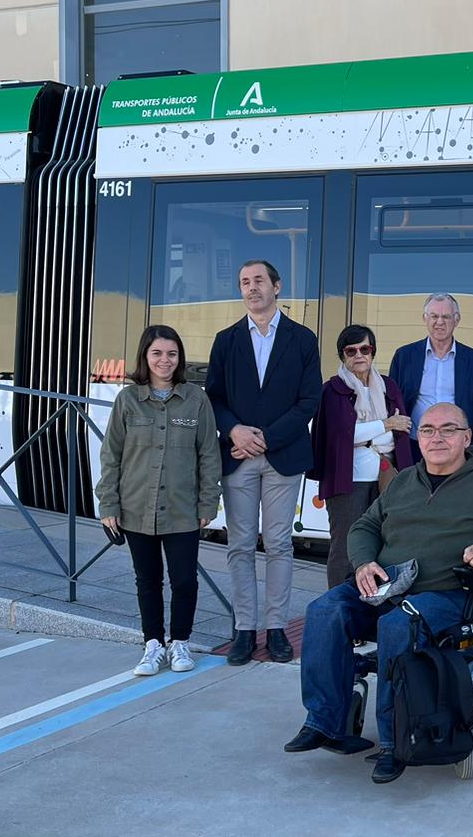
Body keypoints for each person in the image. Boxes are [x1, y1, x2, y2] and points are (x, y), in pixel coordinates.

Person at [286, 403, 473, 784]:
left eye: (447, 429)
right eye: (427, 430)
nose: (436, 438)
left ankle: (395, 742)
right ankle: (325, 723)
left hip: (447, 594)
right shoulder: (402, 481)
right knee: (325, 609)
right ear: (417, 438)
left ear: (466, 437)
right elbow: (363, 528)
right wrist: (363, 564)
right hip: (387, 584)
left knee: (399, 624)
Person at [205, 259, 322, 665]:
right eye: (244, 282)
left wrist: (266, 438)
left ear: (277, 286)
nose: (251, 288)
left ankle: (275, 628)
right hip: (237, 456)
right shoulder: (225, 340)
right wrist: (235, 431)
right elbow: (214, 398)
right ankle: (243, 629)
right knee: (239, 545)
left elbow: (309, 400)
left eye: (258, 281)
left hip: (282, 456)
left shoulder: (303, 339)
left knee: (278, 544)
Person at [96, 325, 222, 676]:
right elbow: (111, 455)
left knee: (184, 581)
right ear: (145, 357)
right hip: (136, 507)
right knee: (147, 579)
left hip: (183, 509)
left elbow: (209, 455)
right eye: (157, 353)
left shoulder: (196, 399)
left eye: (172, 354)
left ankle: (179, 642)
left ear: (179, 358)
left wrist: (208, 503)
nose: (164, 360)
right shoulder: (127, 400)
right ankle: (152, 644)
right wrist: (109, 504)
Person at [310, 324, 417, 590]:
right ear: (343, 356)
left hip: (387, 477)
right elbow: (338, 435)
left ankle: (375, 603)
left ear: (373, 352)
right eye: (351, 351)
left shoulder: (388, 386)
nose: (359, 355)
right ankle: (337, 603)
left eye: (365, 349)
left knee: (384, 545)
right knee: (346, 547)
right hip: (348, 481)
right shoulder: (333, 389)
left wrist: (366, 433)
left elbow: (401, 429)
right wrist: (384, 425)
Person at [388, 293, 473, 449]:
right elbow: (391, 403)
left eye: (446, 317)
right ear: (425, 318)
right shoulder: (404, 356)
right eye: (434, 316)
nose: (439, 322)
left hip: (457, 447)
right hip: (414, 444)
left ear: (457, 320)